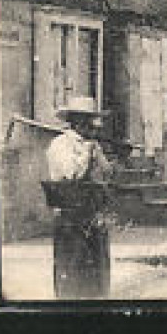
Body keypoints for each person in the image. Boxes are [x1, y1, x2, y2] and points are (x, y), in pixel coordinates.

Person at [43, 96, 113, 298]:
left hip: (92, 213)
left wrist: (98, 156)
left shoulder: (92, 144)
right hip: (70, 216)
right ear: (76, 121)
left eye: (94, 120)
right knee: (73, 270)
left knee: (98, 272)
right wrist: (87, 153)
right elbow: (72, 174)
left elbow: (106, 174)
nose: (94, 125)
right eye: (89, 120)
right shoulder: (60, 144)